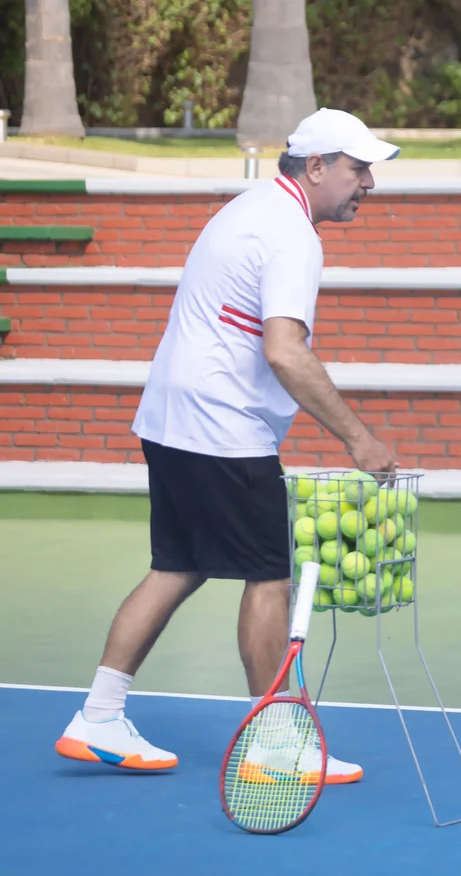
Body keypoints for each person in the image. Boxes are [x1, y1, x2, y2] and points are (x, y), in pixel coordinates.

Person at [55, 109, 401, 780]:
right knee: (268, 575)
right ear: (317, 166)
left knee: (178, 564)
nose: (369, 185)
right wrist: (360, 438)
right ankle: (275, 738)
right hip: (224, 427)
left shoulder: (249, 209)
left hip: (173, 418)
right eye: (359, 170)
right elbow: (285, 352)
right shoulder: (292, 236)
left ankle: (98, 714)